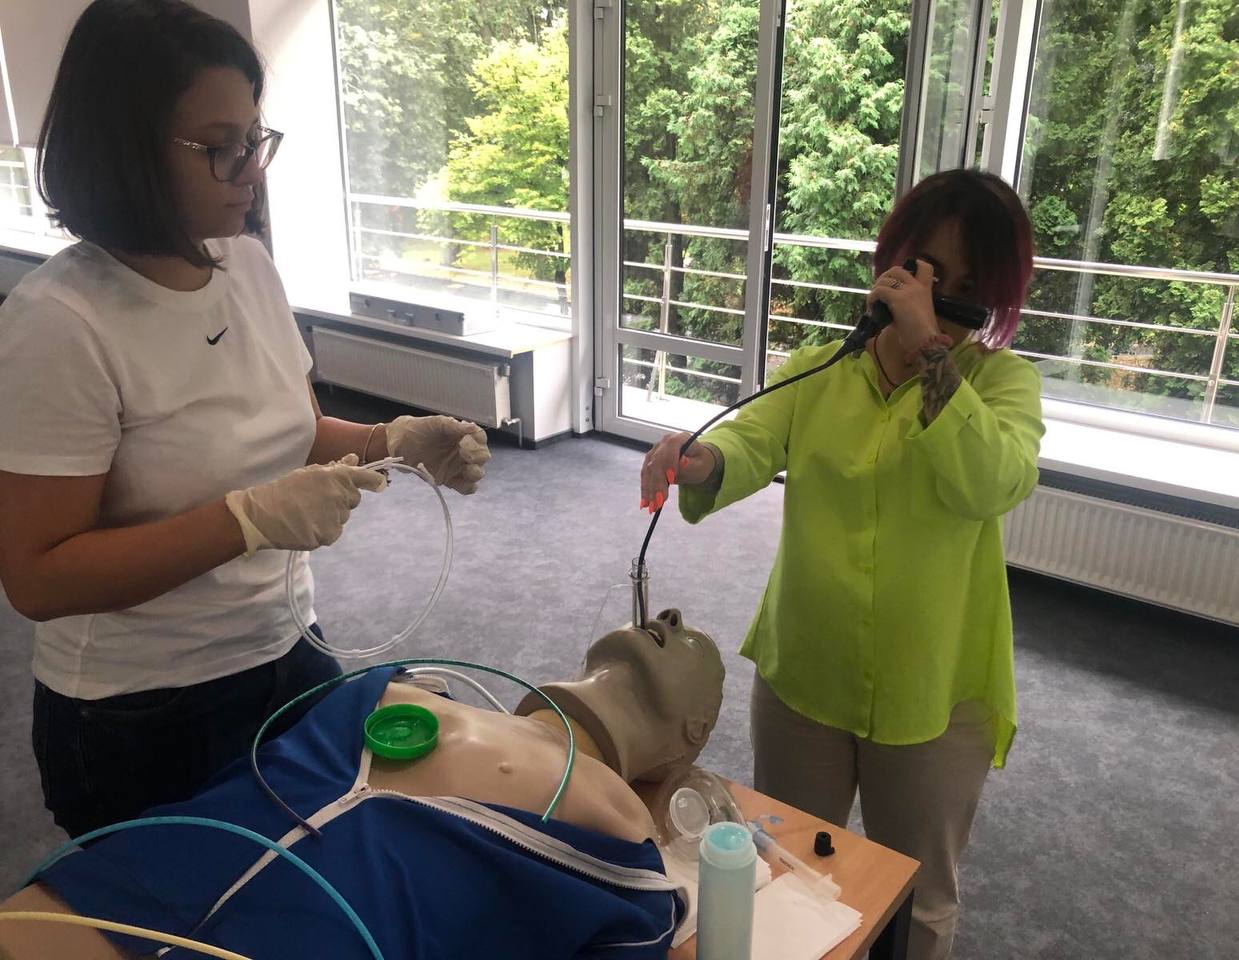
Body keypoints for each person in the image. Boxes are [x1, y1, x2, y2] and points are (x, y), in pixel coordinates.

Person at [0, 0, 491, 840]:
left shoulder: (247, 264)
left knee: (314, 870)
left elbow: (297, 432)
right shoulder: (60, 322)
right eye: (220, 147)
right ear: (126, 148)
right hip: (140, 710)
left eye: (255, 139)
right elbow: (39, 579)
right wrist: (246, 521)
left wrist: (394, 442)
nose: (252, 171)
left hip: (286, 648)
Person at [638, 169, 1044, 960]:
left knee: (918, 898)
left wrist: (931, 350)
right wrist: (701, 459)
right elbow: (752, 437)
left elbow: (994, 481)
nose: (944, 301)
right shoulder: (823, 366)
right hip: (807, 669)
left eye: (968, 290)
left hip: (935, 688)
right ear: (895, 264)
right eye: (931, 273)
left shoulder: (1002, 384)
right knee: (788, 865)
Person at [0, 610, 726, 960]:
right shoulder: (403, 686)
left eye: (694, 641)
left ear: (691, 738)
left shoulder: (622, 848)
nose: (668, 617)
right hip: (90, 899)